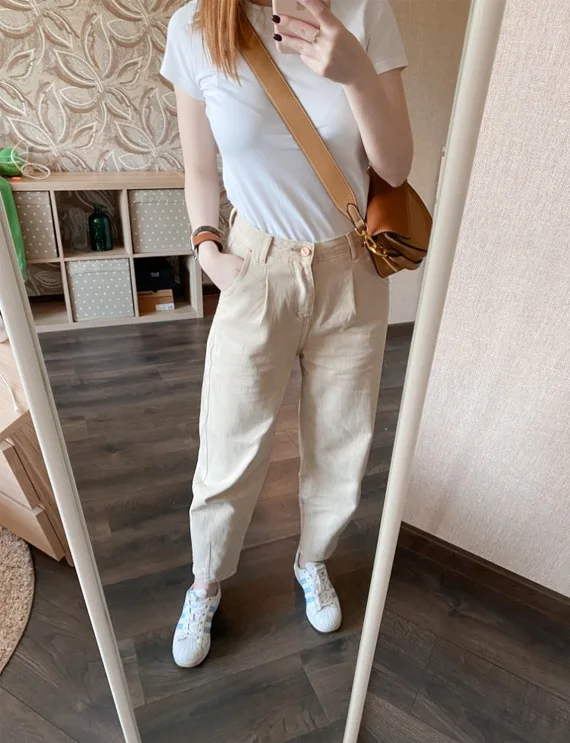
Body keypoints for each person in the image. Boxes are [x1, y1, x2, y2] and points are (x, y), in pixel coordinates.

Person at [161, 0, 412, 668]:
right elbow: (199, 167)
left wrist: (355, 73)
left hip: (351, 271)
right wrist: (208, 249)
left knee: (341, 441)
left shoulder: (365, 11)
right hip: (257, 267)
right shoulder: (196, 26)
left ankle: (312, 559)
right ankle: (205, 580)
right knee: (229, 442)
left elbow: (395, 166)